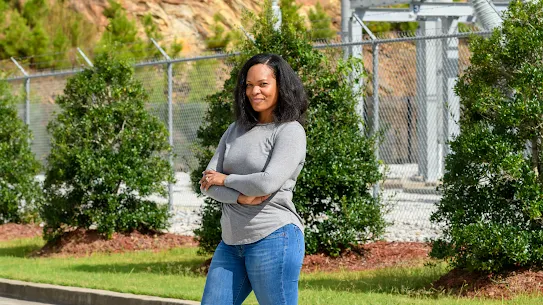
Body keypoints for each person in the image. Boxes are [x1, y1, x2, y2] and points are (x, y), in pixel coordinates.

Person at [199, 53, 308, 305]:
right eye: (248, 85)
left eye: (263, 84)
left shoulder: (290, 131)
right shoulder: (235, 129)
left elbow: (266, 183)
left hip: (273, 237)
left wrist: (225, 180)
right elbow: (206, 183)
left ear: (281, 86)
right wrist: (240, 197)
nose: (254, 91)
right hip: (230, 243)